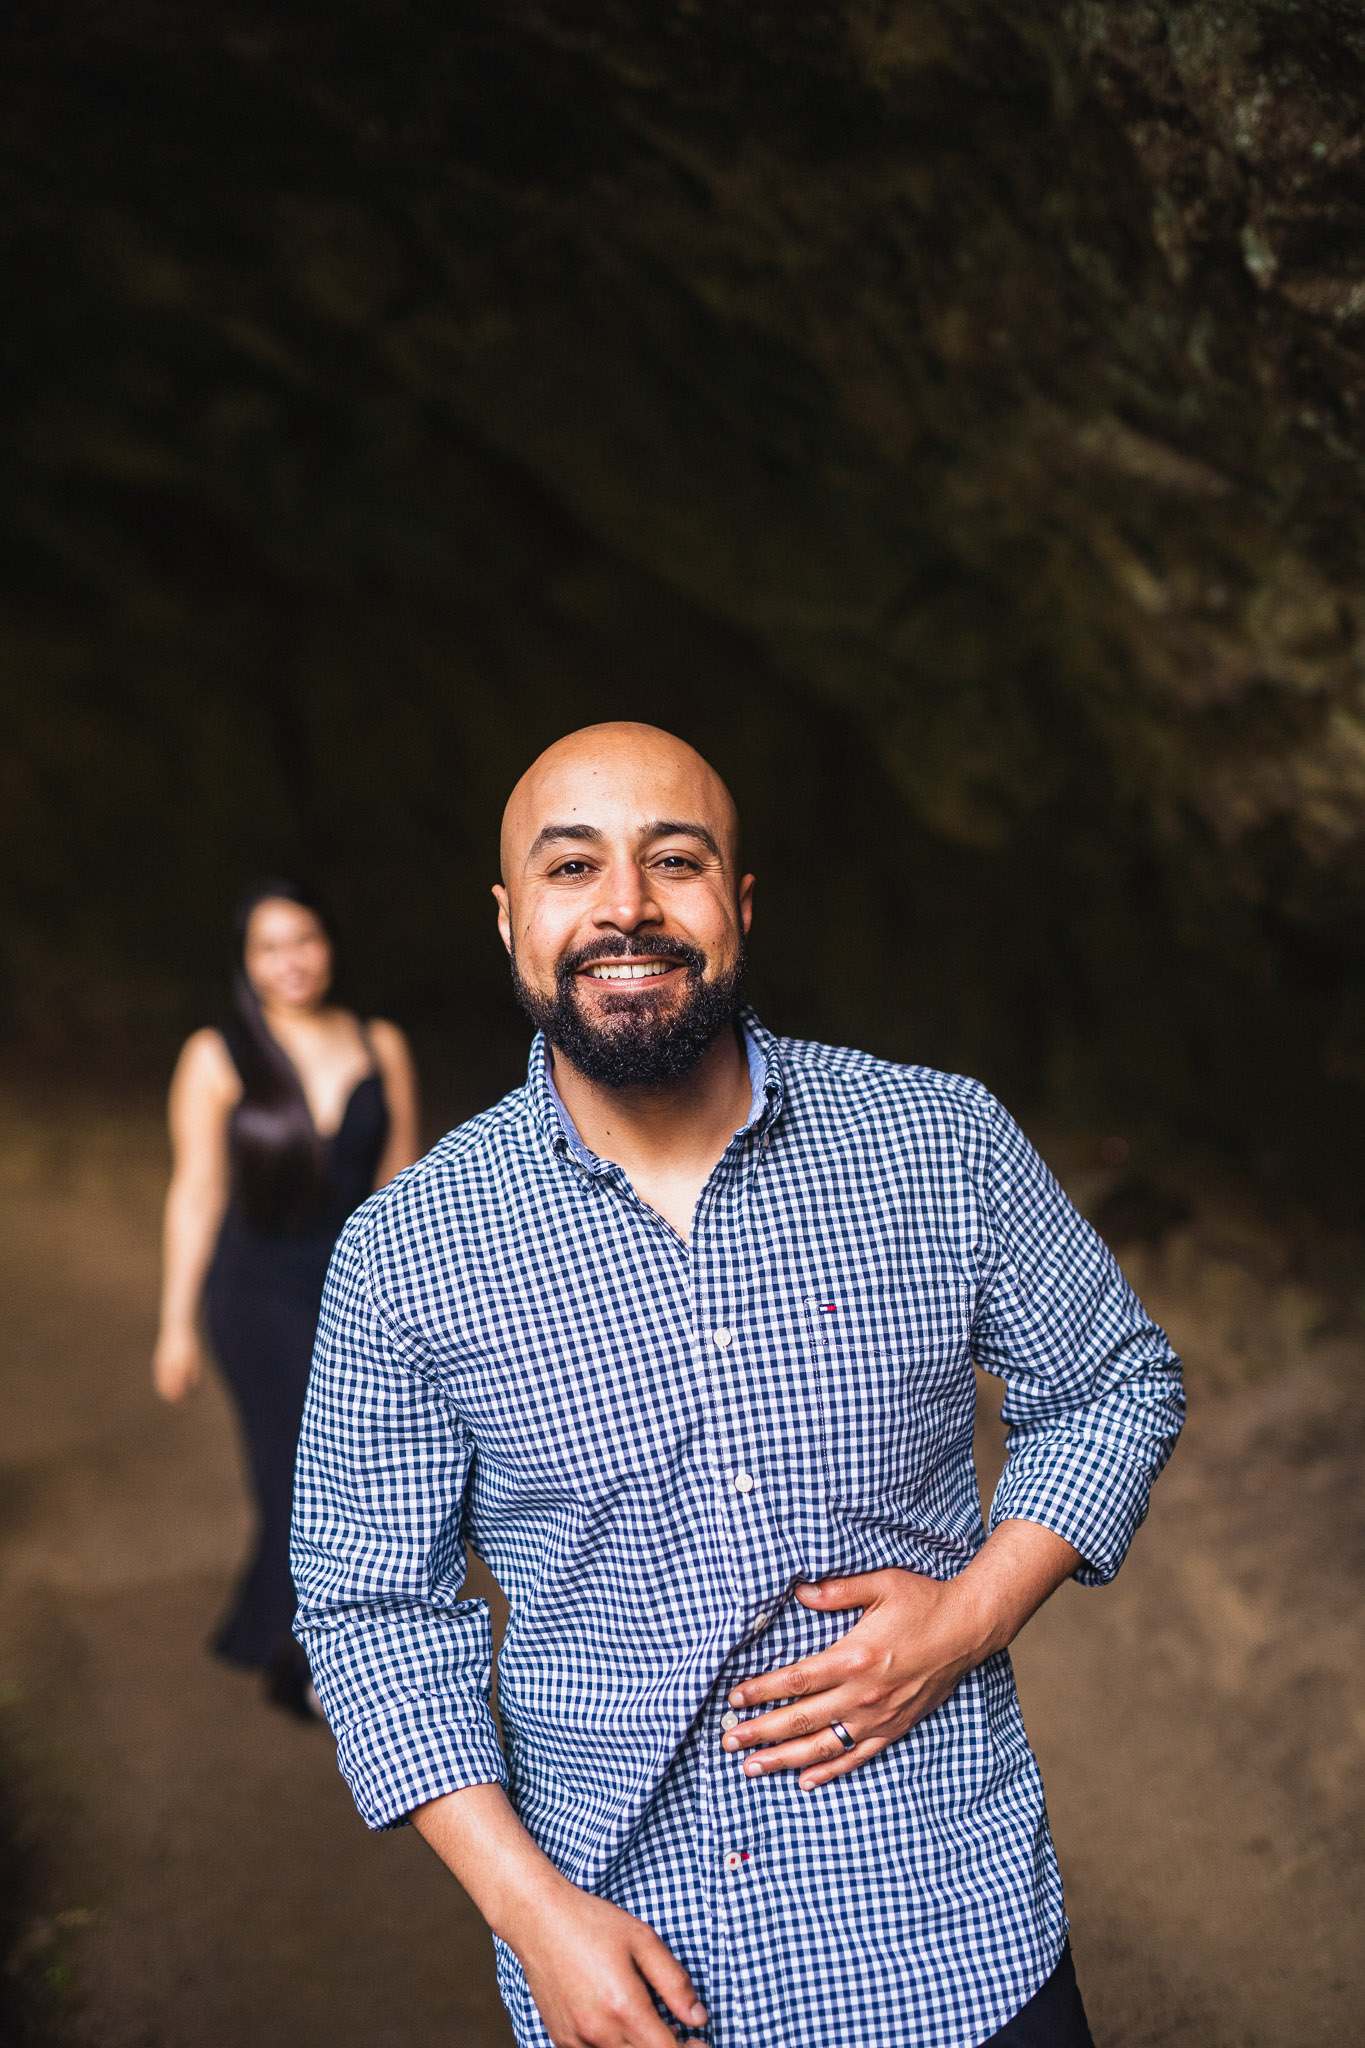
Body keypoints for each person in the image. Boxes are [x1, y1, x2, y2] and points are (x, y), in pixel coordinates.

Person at [292, 724, 1184, 2046]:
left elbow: (1114, 1379)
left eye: (676, 860)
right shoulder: (404, 1251)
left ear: (741, 903)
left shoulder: (940, 1142)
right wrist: (532, 1915)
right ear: (509, 918)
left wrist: (973, 1612)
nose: (627, 906)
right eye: (572, 867)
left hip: (956, 1932)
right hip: (633, 1969)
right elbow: (372, 1613)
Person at [153, 880, 419, 1717]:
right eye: (269, 947)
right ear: (246, 962)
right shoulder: (216, 1055)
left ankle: (289, 1631)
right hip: (256, 1291)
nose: (290, 961)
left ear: (328, 945)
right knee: (297, 1475)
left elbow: (401, 1183)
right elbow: (196, 1191)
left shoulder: (380, 1041)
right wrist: (174, 1326)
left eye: (304, 939)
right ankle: (308, 1655)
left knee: (368, 1471)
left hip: (354, 1289)